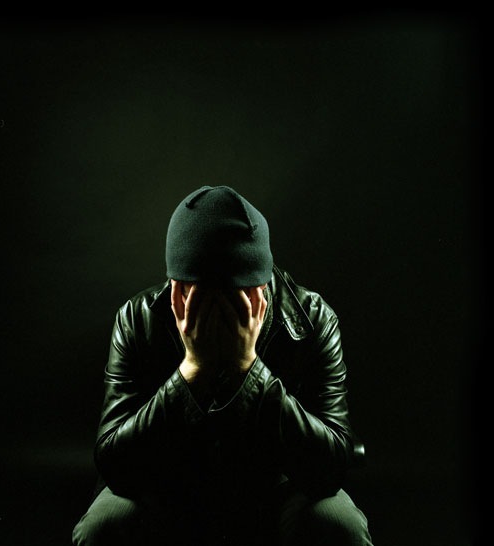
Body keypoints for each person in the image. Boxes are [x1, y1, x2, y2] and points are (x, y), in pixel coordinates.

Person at [72, 185, 373, 546]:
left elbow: (332, 469)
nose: (218, 312)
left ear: (262, 288)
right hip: (169, 487)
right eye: (199, 295)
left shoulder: (312, 320)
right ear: (176, 289)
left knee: (340, 523)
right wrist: (191, 371)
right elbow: (114, 465)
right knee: (104, 523)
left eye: (234, 295)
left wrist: (249, 369)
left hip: (277, 489)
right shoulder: (138, 319)